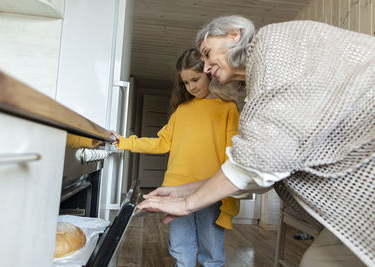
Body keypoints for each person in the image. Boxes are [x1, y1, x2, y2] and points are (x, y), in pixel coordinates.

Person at [137, 15, 374, 267]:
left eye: (207, 53)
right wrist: (183, 189)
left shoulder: (273, 43)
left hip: (362, 190)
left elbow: (260, 159)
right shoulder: (257, 95)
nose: (205, 67)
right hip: (354, 210)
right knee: (318, 261)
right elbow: (255, 171)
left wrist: (187, 203)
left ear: (233, 34)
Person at [111, 47, 241, 267]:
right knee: (180, 248)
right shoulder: (182, 111)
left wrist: (228, 195)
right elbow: (161, 143)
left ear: (210, 72)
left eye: (195, 79)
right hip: (175, 189)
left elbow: (234, 156)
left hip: (211, 191)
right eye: (186, 83)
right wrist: (125, 142)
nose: (191, 87)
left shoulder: (228, 109)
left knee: (212, 252)